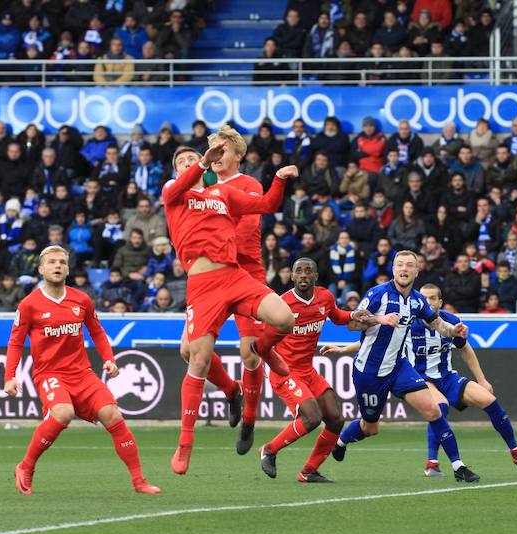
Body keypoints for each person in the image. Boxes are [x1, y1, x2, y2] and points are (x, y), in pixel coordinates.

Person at [162, 140, 298, 474]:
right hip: (204, 286)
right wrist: (201, 163)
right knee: (197, 357)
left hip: (236, 276)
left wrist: (279, 179)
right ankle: (185, 443)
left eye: (192, 157)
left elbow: (266, 204)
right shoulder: (174, 192)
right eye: (183, 160)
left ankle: (266, 350)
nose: (189, 162)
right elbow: (180, 183)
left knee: (285, 318)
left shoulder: (221, 194)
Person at [6, 245, 159, 495]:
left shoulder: (81, 299)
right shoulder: (29, 305)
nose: (57, 266)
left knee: (113, 414)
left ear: (67, 269)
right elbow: (15, 342)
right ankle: (26, 466)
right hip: (50, 374)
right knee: (64, 413)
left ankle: (139, 481)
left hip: (82, 373)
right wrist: (10, 376)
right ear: (41, 269)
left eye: (62, 262)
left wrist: (109, 359)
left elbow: (97, 332)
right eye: (52, 262)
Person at [329, 251, 481, 482]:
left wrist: (453, 331)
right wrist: (379, 319)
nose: (404, 268)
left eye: (410, 265)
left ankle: (458, 466)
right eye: (400, 264)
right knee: (371, 428)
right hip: (369, 372)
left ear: (417, 271)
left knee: (433, 410)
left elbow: (438, 325)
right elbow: (351, 323)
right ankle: (341, 442)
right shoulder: (377, 293)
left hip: (399, 367)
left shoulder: (418, 300)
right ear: (393, 269)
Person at [175, 126, 278, 446]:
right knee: (186, 350)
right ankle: (230, 390)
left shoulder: (247, 185)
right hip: (210, 277)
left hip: (243, 270)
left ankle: (249, 420)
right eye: (213, 149)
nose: (217, 155)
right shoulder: (202, 184)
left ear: (237, 154)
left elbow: (246, 225)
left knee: (249, 354)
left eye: (223, 149)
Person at [255, 258, 393, 482]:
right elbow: (263, 340)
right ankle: (269, 450)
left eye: (308, 271)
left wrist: (352, 315)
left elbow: (337, 317)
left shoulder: (325, 297)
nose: (303, 275)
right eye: (298, 271)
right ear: (291, 277)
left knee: (336, 419)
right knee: (311, 417)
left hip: (307, 371)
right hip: (285, 372)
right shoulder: (282, 304)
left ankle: (308, 471)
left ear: (316, 276)